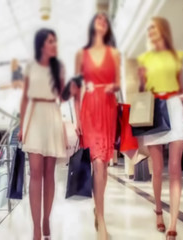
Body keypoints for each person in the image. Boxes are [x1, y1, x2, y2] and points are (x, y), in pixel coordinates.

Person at [137, 17, 183, 240]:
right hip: (154, 110)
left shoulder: (177, 56)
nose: (150, 31)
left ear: (163, 29)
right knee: (157, 168)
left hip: (174, 108)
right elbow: (141, 93)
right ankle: (158, 210)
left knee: (175, 168)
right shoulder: (144, 59)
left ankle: (173, 221)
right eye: (148, 29)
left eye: (153, 27)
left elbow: (178, 88)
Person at [71, 12, 120, 240]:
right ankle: (101, 220)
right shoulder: (81, 54)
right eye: (97, 18)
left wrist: (113, 86)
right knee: (98, 162)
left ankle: (98, 210)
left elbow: (119, 83)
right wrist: (77, 119)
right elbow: (75, 88)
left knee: (103, 165)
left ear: (107, 26)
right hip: (89, 109)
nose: (101, 21)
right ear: (92, 25)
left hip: (107, 108)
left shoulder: (114, 54)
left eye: (104, 19)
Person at [18, 28, 67, 240]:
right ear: (41, 45)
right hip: (35, 116)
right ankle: (36, 228)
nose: (55, 44)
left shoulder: (60, 67)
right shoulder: (30, 66)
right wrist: (21, 126)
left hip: (53, 116)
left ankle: (46, 218)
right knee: (35, 173)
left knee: (49, 174)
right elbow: (24, 98)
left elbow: (62, 97)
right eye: (50, 41)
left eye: (55, 41)